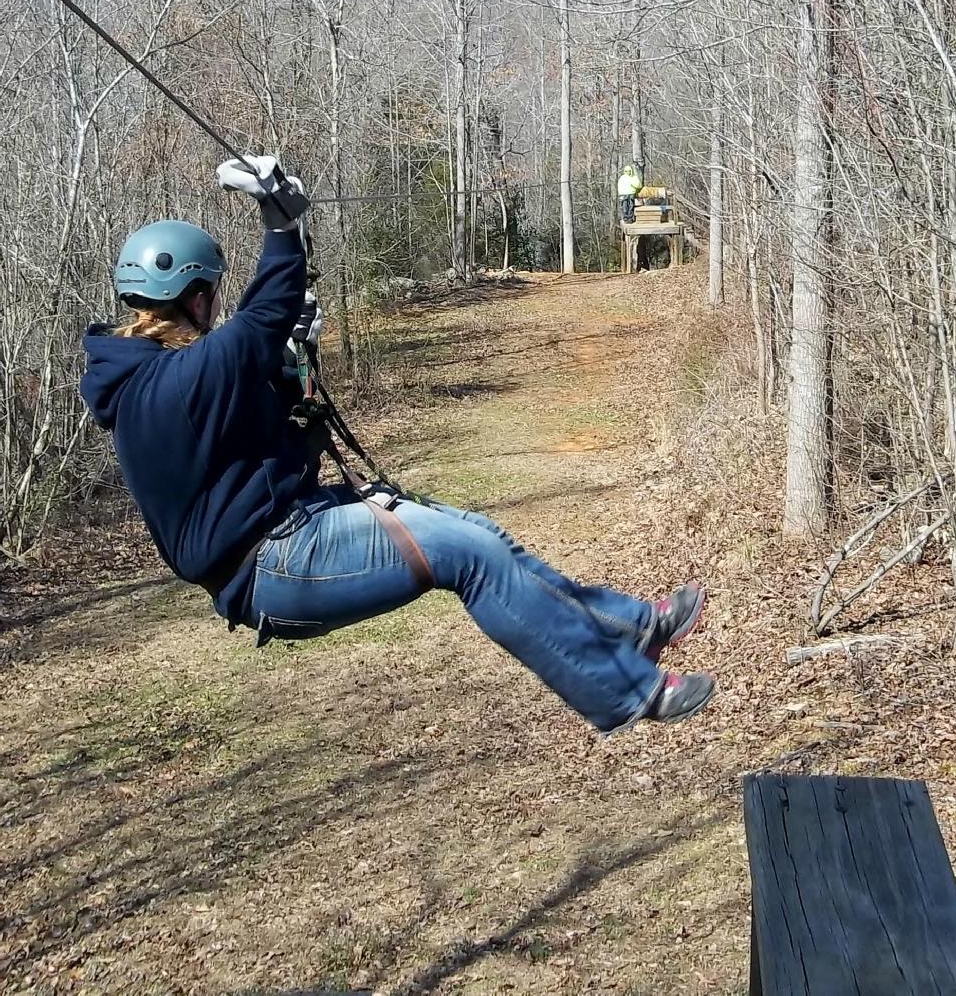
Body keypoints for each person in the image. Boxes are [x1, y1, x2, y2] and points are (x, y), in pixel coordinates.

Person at [79, 156, 714, 734]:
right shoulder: (170, 384)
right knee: (470, 556)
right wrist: (279, 227)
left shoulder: (152, 380)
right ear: (196, 297)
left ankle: (635, 628)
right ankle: (627, 693)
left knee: (478, 534)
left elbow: (251, 398)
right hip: (272, 565)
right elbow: (259, 320)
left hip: (293, 528)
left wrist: (285, 371)